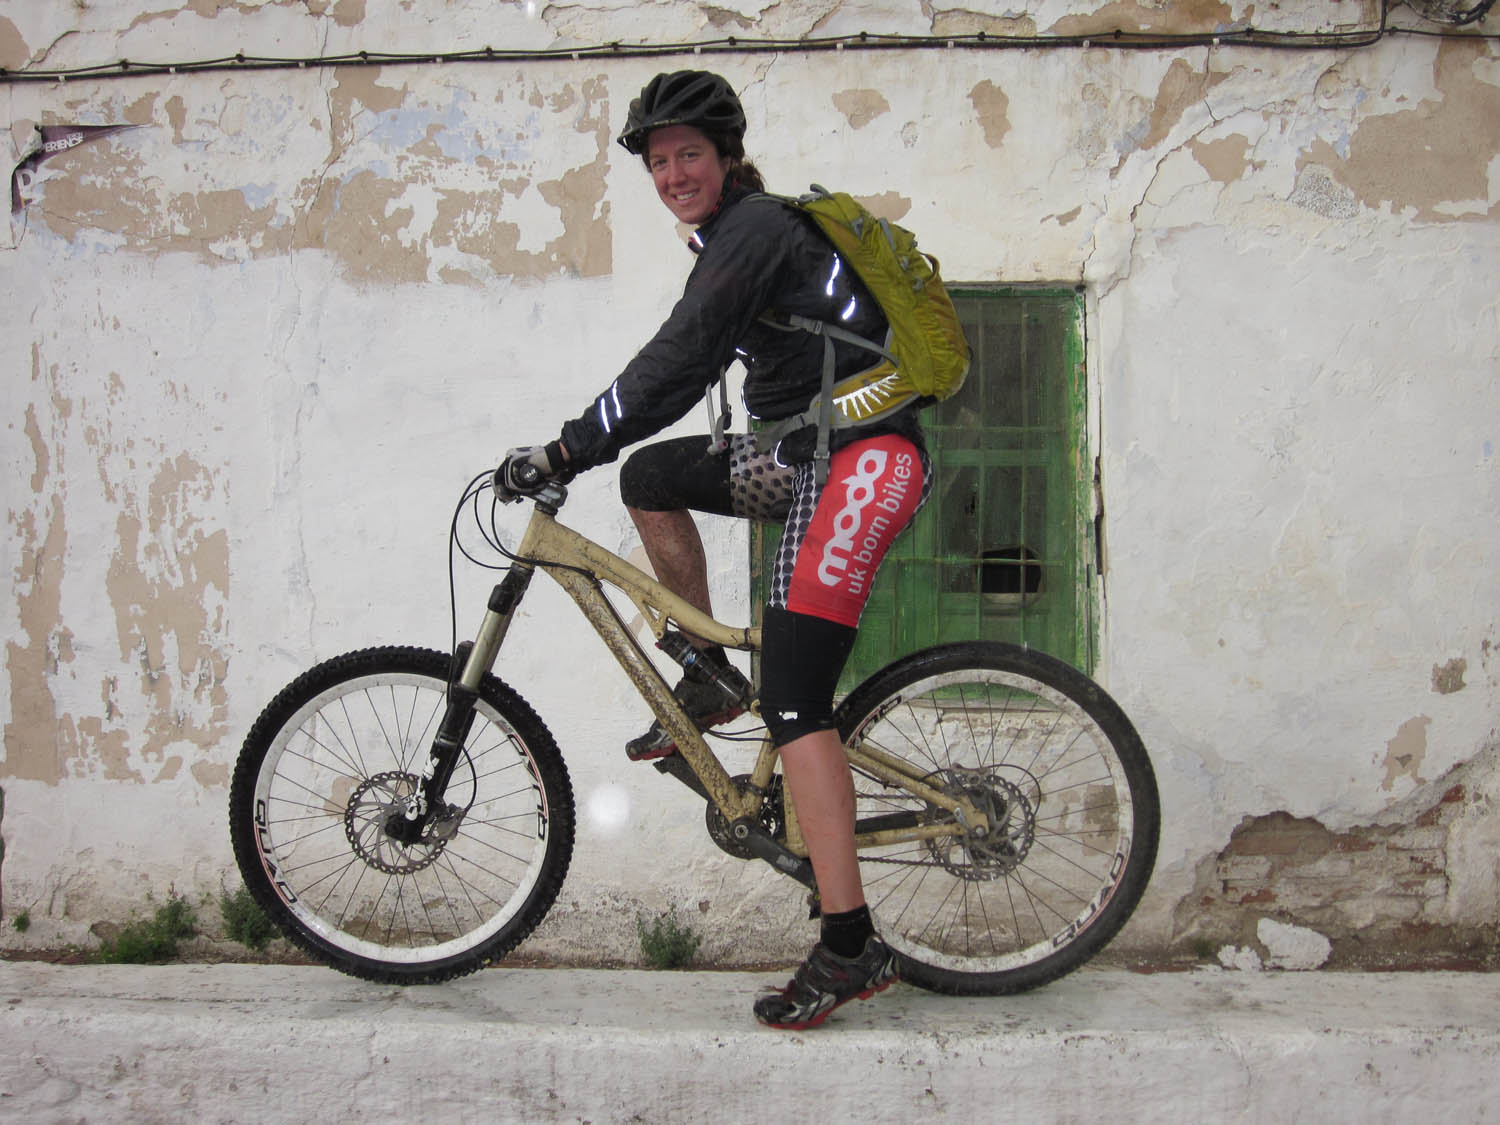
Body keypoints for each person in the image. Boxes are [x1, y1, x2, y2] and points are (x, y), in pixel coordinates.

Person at [497, 70, 932, 1029]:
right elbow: (683, 376)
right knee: (652, 476)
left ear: (728, 157)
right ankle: (706, 673)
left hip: (865, 460)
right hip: (802, 454)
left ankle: (850, 945)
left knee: (796, 698)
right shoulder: (730, 235)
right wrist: (595, 450)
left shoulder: (756, 229)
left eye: (688, 154)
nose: (672, 176)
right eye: (657, 163)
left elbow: (679, 359)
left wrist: (565, 447)